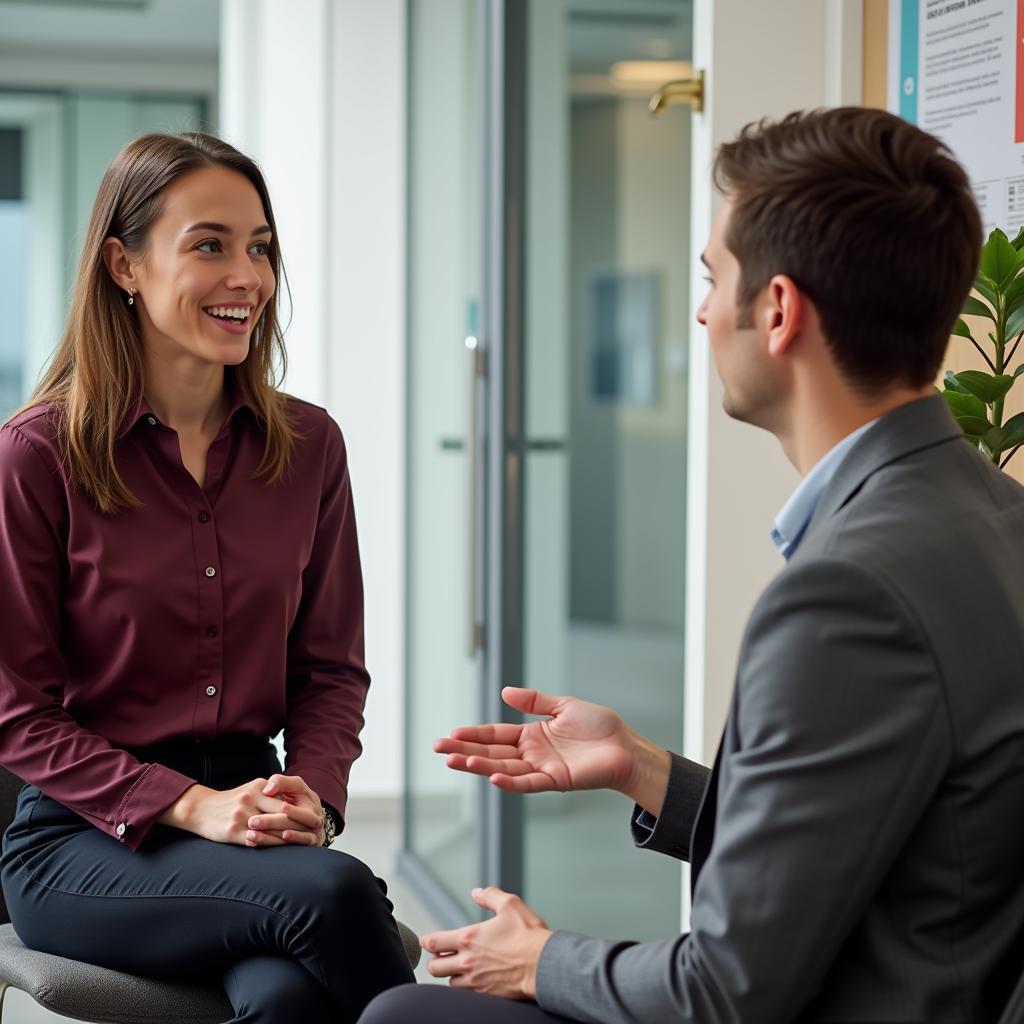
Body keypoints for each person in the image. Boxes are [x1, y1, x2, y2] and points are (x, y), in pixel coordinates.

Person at [361, 106, 1024, 1023]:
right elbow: (870, 848)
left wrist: (539, 959)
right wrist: (642, 769)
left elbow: (726, 991)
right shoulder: (994, 511)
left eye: (715, 278)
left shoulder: (849, 592)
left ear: (780, 311)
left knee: (404, 1015)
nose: (704, 309)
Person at [0, 132, 414, 1023]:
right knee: (338, 899)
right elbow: (16, 713)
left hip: (256, 817)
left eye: (260, 247)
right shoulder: (36, 456)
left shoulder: (310, 449)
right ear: (124, 266)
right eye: (209, 245)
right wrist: (188, 805)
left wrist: (317, 797)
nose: (248, 277)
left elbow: (331, 669)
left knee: (288, 1000)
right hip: (82, 842)